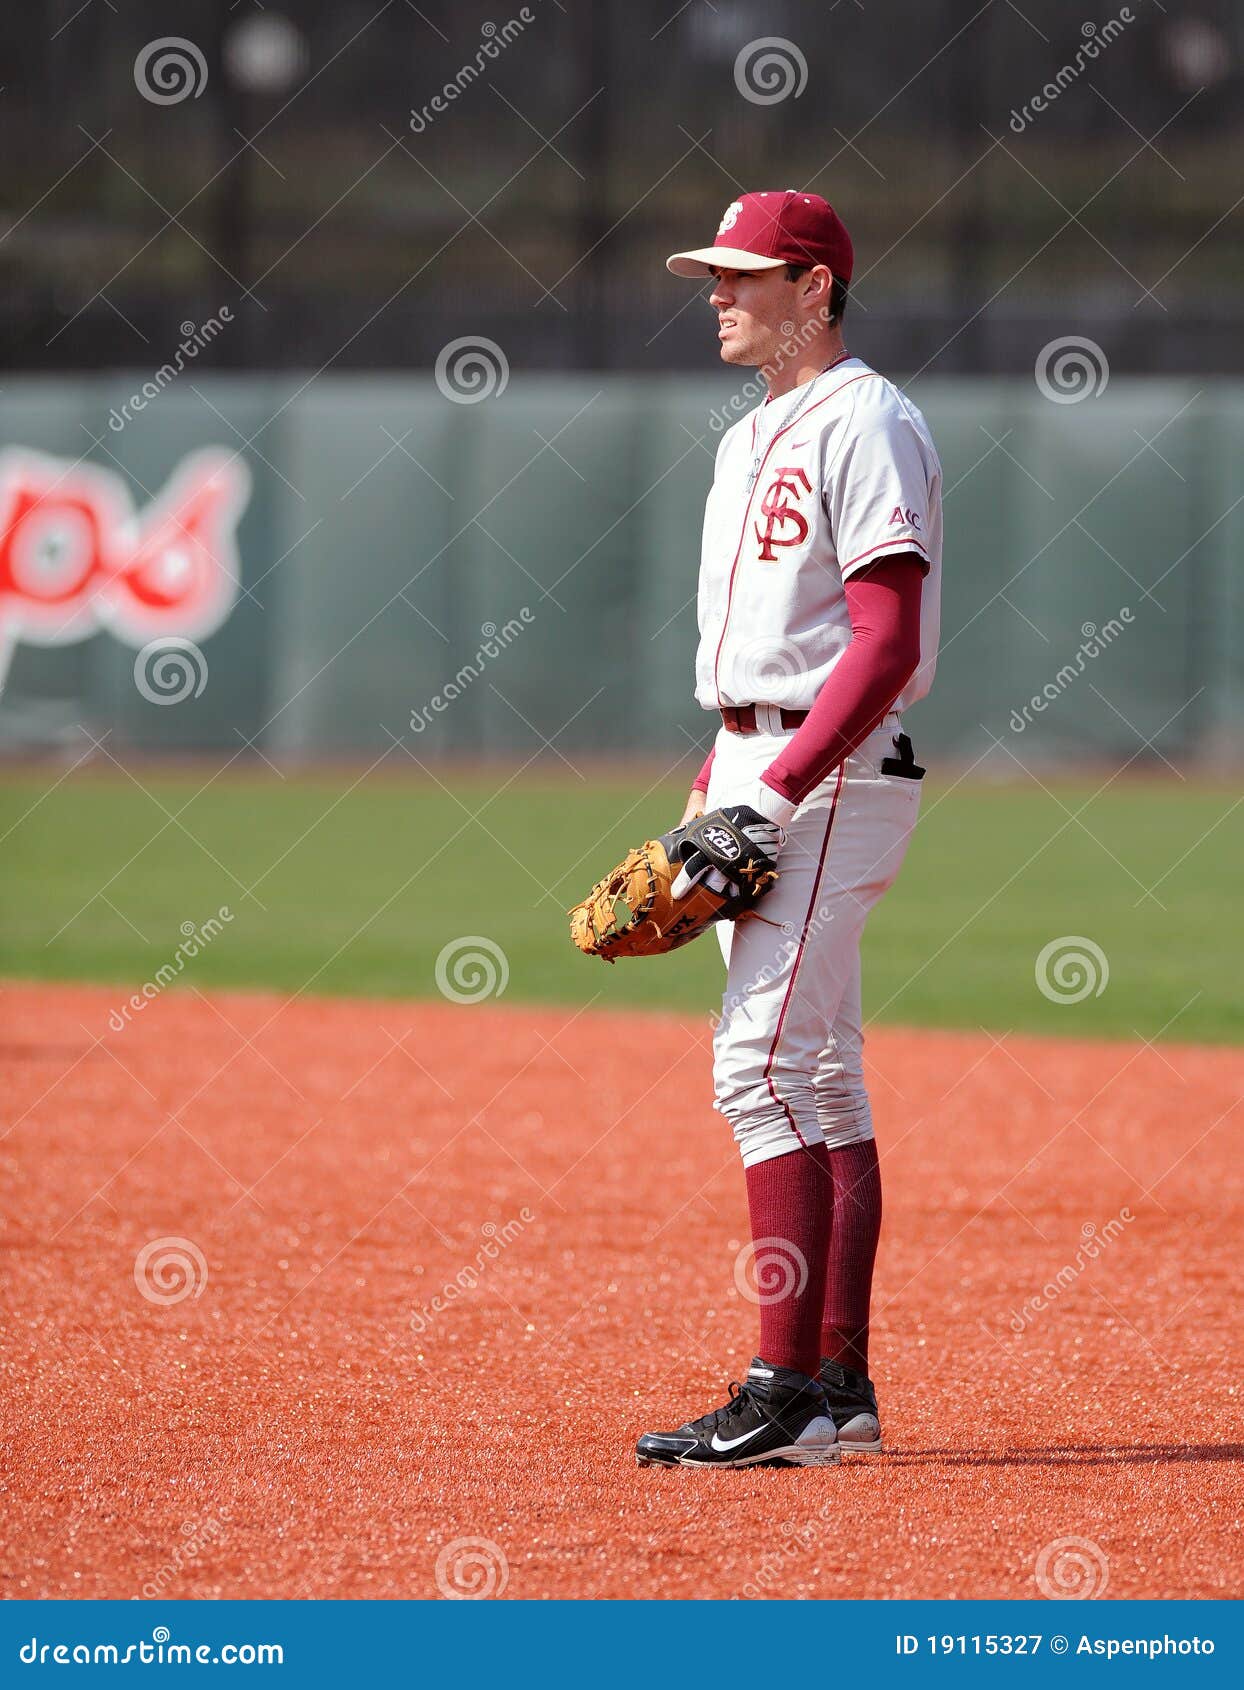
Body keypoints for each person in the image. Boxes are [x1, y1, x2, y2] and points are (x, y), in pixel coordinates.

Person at [635, 190, 942, 1469]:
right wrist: (720, 778)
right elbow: (758, 649)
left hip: (828, 768)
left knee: (754, 1069)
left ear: (814, 289)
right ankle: (833, 1385)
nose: (718, 292)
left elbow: (884, 641)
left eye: (746, 275)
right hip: (757, 758)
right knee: (814, 1072)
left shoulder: (868, 417)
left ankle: (780, 1391)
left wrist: (770, 789)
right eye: (716, 273)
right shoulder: (752, 430)